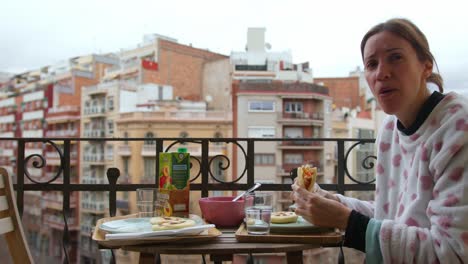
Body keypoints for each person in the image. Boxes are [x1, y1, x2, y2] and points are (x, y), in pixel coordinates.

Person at [292, 18, 468, 263]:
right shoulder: (390, 129)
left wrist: (346, 220)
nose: (381, 73)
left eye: (395, 57)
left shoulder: (458, 128)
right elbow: (393, 217)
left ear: (426, 66)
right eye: (371, 63)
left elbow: (452, 252)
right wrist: (333, 203)